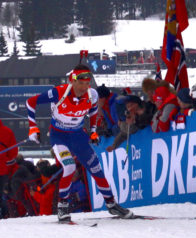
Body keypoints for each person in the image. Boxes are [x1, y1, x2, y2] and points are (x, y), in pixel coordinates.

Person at [26, 63, 134, 222]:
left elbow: (93, 111)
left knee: (96, 169)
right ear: (73, 81)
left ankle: (111, 205)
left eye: (87, 83)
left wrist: (93, 131)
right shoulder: (59, 92)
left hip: (78, 136)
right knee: (69, 167)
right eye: (81, 83)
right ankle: (62, 208)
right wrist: (32, 127)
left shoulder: (93, 95)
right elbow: (31, 102)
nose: (84, 87)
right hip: (59, 137)